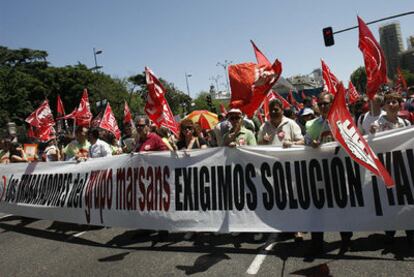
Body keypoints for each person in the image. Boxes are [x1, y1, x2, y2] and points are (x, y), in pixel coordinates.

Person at [304, 92, 353, 255]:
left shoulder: (343, 121)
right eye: (320, 103)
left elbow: (353, 141)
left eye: (326, 103)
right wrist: (312, 144)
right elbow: (306, 143)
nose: (323, 106)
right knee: (317, 209)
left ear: (333, 104)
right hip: (319, 174)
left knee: (341, 208)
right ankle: (317, 243)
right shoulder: (312, 125)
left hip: (339, 172)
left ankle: (346, 239)